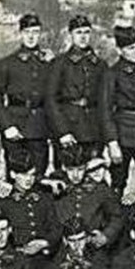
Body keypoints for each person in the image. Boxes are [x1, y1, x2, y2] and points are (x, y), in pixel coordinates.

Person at [0, 13, 54, 174]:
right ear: (20, 34)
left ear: (40, 34)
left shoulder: (48, 63)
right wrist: (6, 126)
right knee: (16, 178)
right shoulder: (7, 63)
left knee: (39, 177)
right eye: (27, 32)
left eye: (35, 32)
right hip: (16, 127)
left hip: (40, 128)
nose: (31, 37)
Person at [101, 25, 135, 199]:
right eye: (130, 48)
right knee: (118, 183)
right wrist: (112, 142)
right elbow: (105, 110)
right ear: (119, 50)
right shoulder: (112, 74)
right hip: (123, 135)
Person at [46, 14, 105, 170]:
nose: (83, 37)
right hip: (69, 128)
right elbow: (51, 100)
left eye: (86, 32)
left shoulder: (99, 64)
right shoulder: (59, 63)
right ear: (70, 34)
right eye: (78, 32)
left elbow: (105, 101)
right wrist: (62, 131)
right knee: (68, 175)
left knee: (94, 174)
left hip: (93, 129)